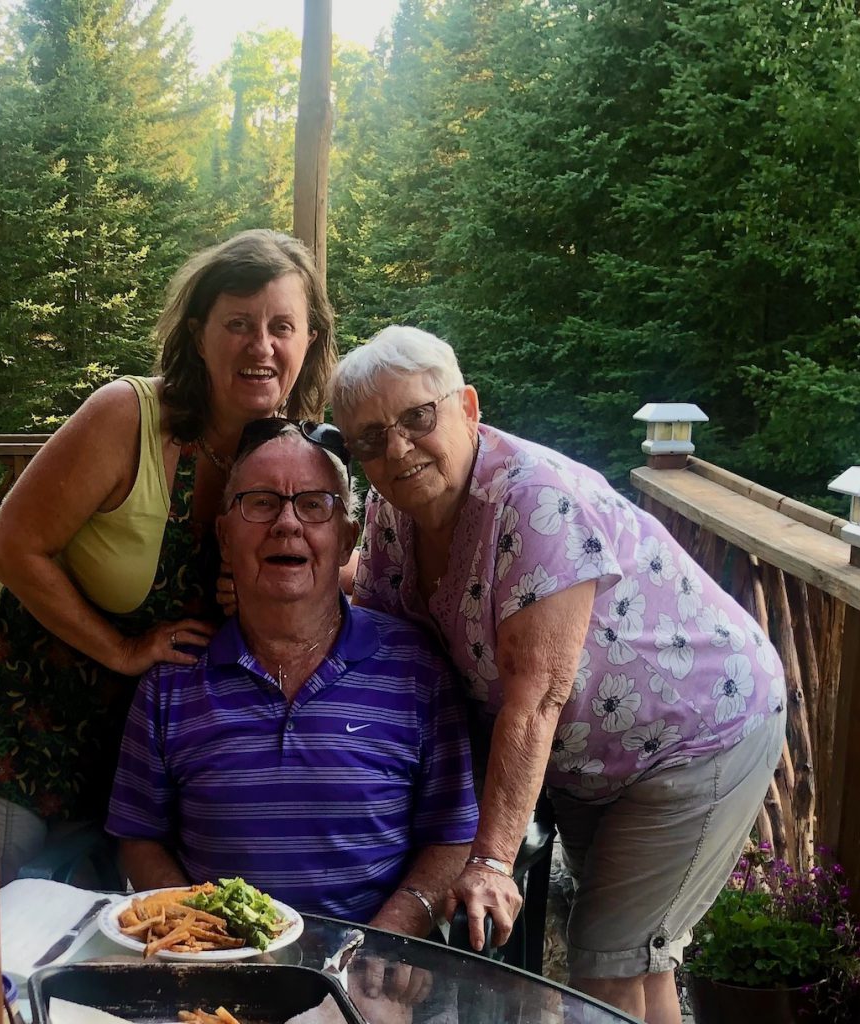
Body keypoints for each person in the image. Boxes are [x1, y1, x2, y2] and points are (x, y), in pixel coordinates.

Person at [328, 326, 788, 1024]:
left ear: (467, 407)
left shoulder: (532, 500)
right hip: (591, 760)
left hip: (697, 734)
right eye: (368, 437)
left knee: (603, 963)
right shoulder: (393, 516)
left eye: (417, 417)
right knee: (636, 959)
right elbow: (387, 634)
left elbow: (537, 696)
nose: (396, 447)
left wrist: (486, 862)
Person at [0, 229, 336, 883]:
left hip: (145, 763)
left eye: (281, 326)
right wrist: (121, 650)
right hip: (24, 727)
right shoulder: (128, 416)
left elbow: (345, 568)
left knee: (89, 959)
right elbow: (11, 544)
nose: (259, 346)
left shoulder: (298, 454)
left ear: (310, 340)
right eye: (237, 323)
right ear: (198, 333)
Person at [107, 420, 478, 934]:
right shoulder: (170, 682)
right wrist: (203, 933)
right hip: (219, 975)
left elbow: (452, 835)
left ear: (348, 539)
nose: (287, 523)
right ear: (224, 534)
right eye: (260, 503)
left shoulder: (417, 667)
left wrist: (379, 947)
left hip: (373, 975)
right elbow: (138, 837)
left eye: (314, 504)